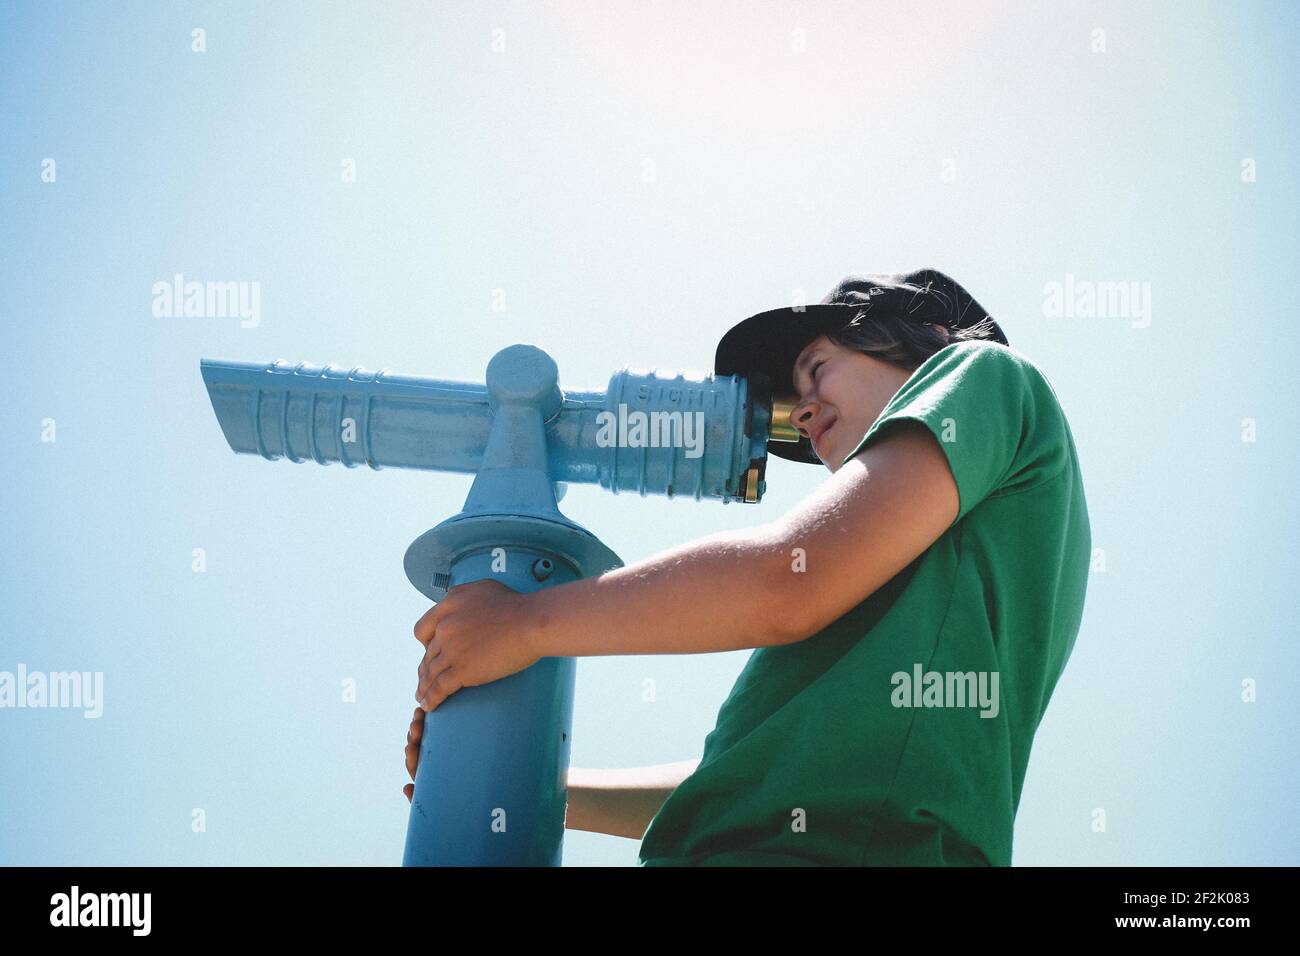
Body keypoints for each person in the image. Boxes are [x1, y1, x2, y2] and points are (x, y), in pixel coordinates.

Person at [404, 268, 1092, 866]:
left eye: (818, 369)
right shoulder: (911, 577)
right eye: (796, 400)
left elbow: (786, 582)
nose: (805, 412)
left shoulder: (990, 375)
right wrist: (538, 792)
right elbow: (746, 786)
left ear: (930, 333)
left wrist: (525, 623)